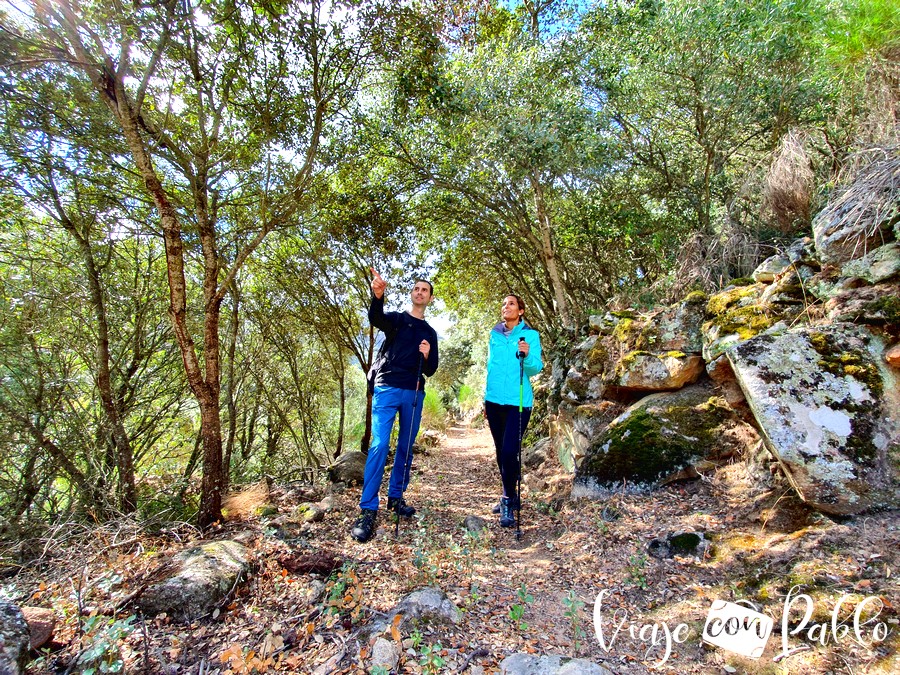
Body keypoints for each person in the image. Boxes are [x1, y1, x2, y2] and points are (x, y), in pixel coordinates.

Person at [350, 269, 439, 542]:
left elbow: (432, 369)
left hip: (414, 392)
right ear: (412, 294)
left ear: (430, 298)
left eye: (425, 290)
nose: (420, 292)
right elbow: (375, 318)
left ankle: (395, 497)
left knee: (405, 447)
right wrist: (378, 296)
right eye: (417, 289)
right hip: (387, 388)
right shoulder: (398, 321)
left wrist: (427, 355)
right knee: (379, 444)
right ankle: (367, 509)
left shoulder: (430, 332)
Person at [484, 294, 543, 528]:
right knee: (501, 452)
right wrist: (485, 398)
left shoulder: (530, 335)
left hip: (518, 402)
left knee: (509, 451)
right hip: (494, 401)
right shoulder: (494, 335)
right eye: (503, 303)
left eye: (511, 304)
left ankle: (507, 499)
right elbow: (491, 367)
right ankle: (511, 492)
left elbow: (535, 368)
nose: (505, 307)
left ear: (521, 311)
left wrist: (527, 355)